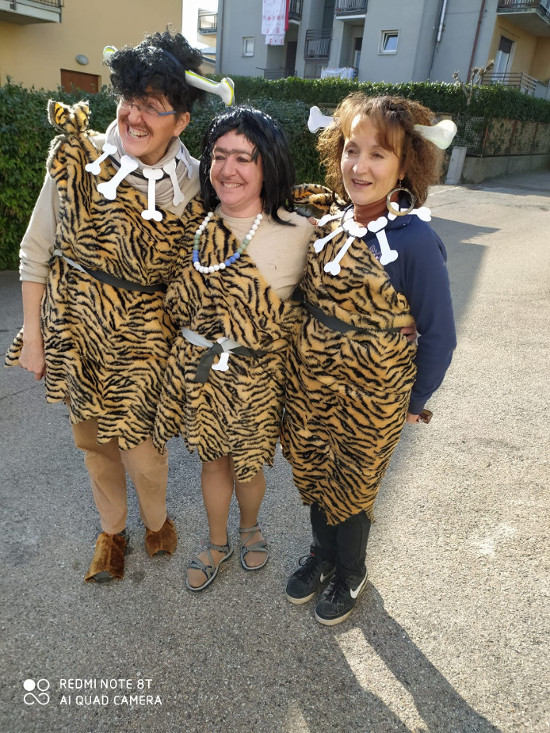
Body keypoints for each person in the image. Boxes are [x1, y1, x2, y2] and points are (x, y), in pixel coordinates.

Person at [5, 30, 211, 583]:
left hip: (147, 341)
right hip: (76, 331)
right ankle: (112, 531)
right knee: (94, 442)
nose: (134, 116)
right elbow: (35, 251)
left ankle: (157, 520)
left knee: (143, 450)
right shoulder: (80, 158)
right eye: (129, 99)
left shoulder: (197, 187)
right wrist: (33, 335)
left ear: (180, 120)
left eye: (152, 105)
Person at [282, 93, 457, 625]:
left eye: (379, 154)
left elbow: (440, 335)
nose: (360, 166)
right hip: (312, 383)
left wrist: (415, 400)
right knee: (315, 467)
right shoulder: (331, 224)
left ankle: (351, 570)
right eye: (351, 149)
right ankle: (322, 554)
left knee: (353, 483)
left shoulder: (415, 240)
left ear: (405, 166)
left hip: (373, 394)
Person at [153, 106, 314, 591]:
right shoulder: (194, 228)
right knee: (213, 461)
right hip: (204, 377)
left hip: (257, 381)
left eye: (244, 158)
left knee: (248, 465)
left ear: (268, 165)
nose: (228, 169)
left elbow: (334, 303)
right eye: (219, 156)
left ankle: (251, 528)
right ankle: (217, 541)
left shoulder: (301, 232)